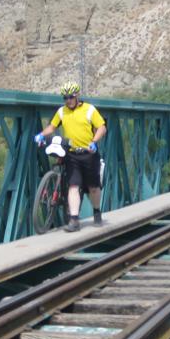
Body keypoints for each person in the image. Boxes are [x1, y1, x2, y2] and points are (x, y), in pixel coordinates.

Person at [34, 81, 107, 232]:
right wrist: (41, 134)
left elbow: (102, 127)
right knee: (73, 186)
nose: (68, 100)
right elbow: (52, 127)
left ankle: (96, 211)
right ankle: (74, 220)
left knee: (93, 188)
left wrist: (94, 142)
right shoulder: (62, 112)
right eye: (65, 98)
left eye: (70, 97)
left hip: (89, 153)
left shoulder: (89, 110)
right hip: (72, 154)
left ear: (77, 96)